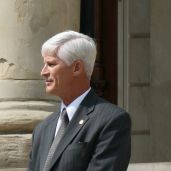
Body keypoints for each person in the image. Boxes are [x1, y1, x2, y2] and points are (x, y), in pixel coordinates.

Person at [28, 31, 131, 171]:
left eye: (51, 64)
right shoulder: (42, 129)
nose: (43, 72)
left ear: (76, 68)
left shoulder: (111, 120)